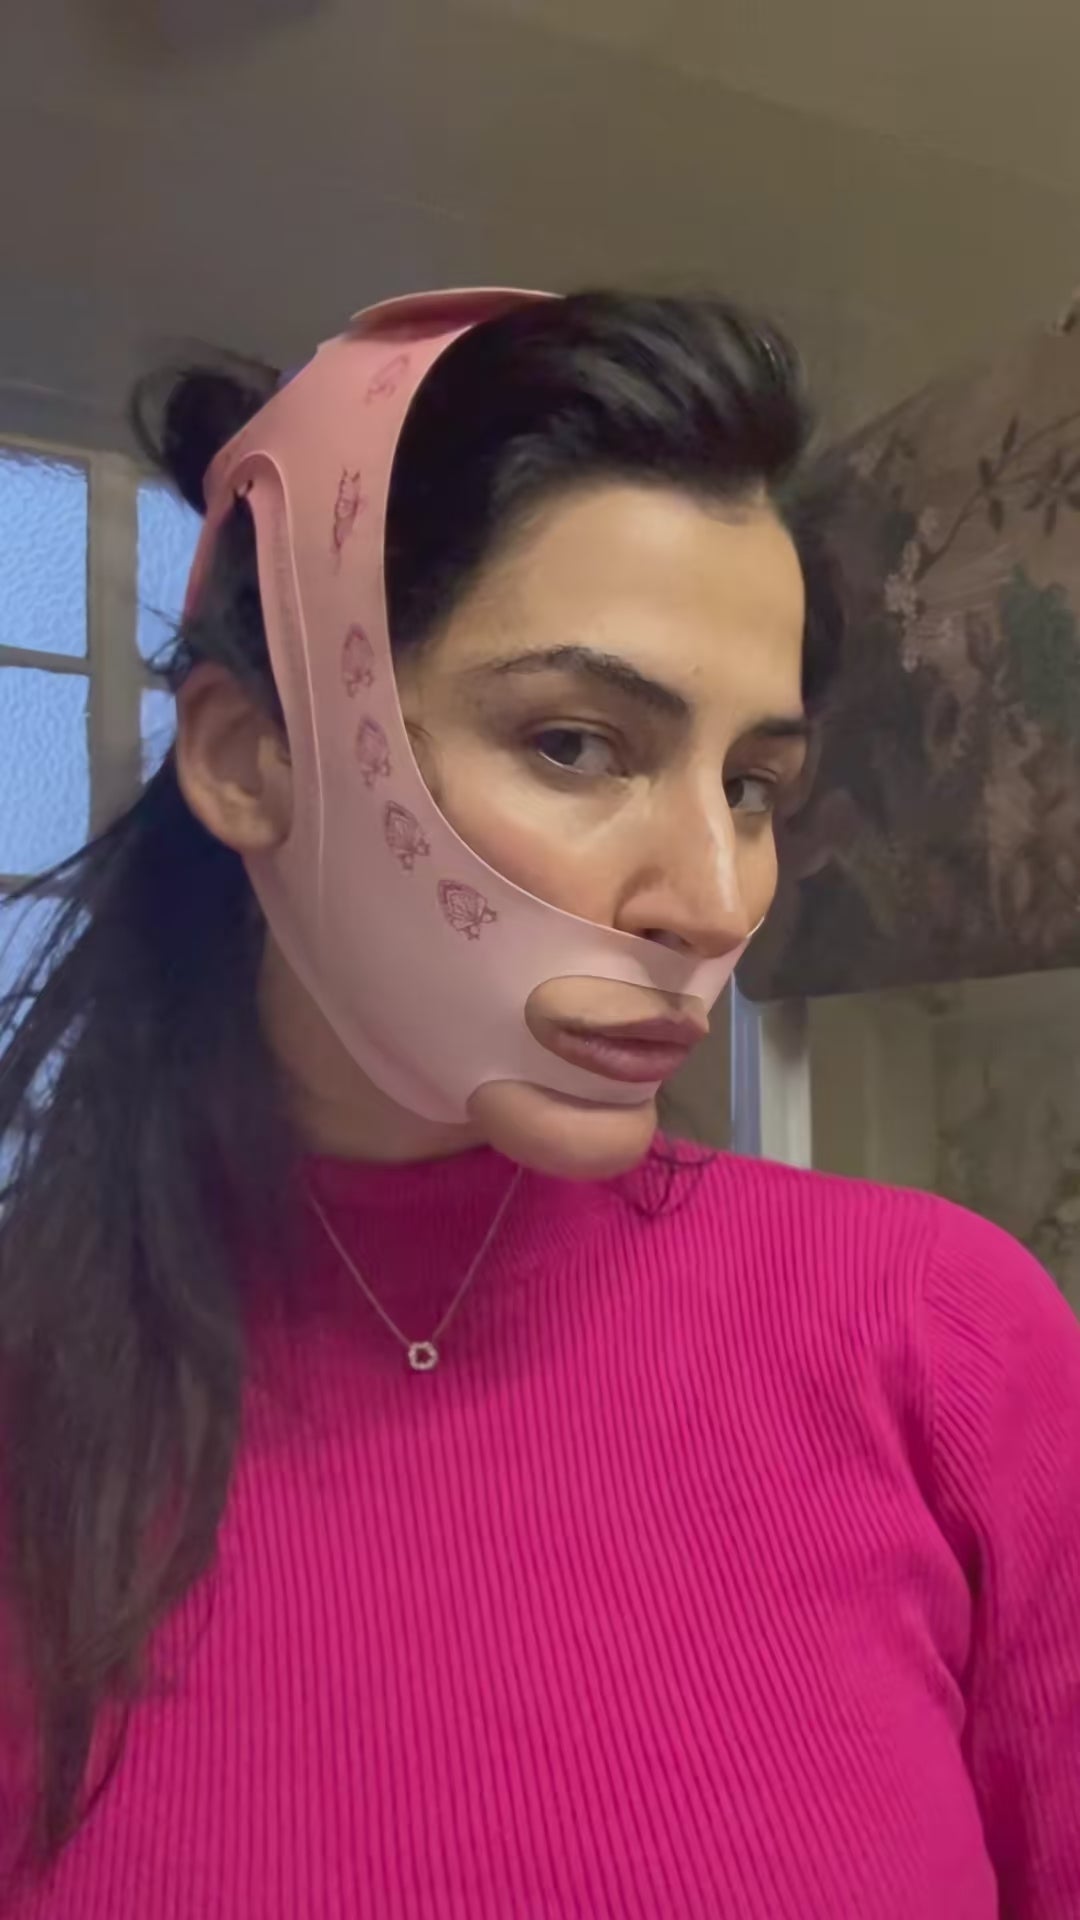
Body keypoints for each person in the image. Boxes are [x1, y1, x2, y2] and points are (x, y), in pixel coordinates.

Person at [0, 288, 1077, 1920]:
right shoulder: (40, 1404)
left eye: (752, 787)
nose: (712, 900)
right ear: (249, 760)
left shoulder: (943, 1344)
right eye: (578, 744)